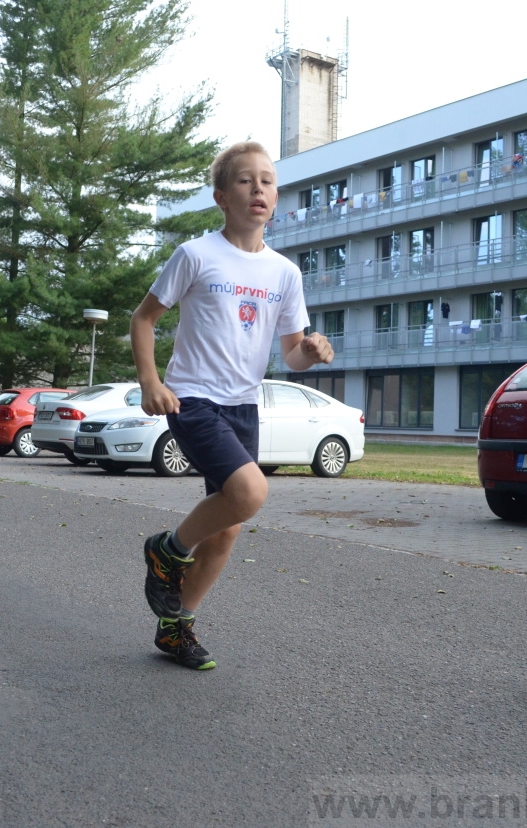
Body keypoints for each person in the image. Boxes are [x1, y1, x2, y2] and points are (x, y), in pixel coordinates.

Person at [131, 142, 334, 669]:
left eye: (267, 180)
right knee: (250, 491)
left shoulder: (285, 273)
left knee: (226, 530)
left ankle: (176, 627)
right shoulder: (196, 255)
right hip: (193, 397)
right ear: (222, 196)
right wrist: (151, 381)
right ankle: (168, 550)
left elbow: (290, 353)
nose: (259, 189)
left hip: (245, 404)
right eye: (246, 181)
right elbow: (144, 319)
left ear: (276, 195)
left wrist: (309, 353)